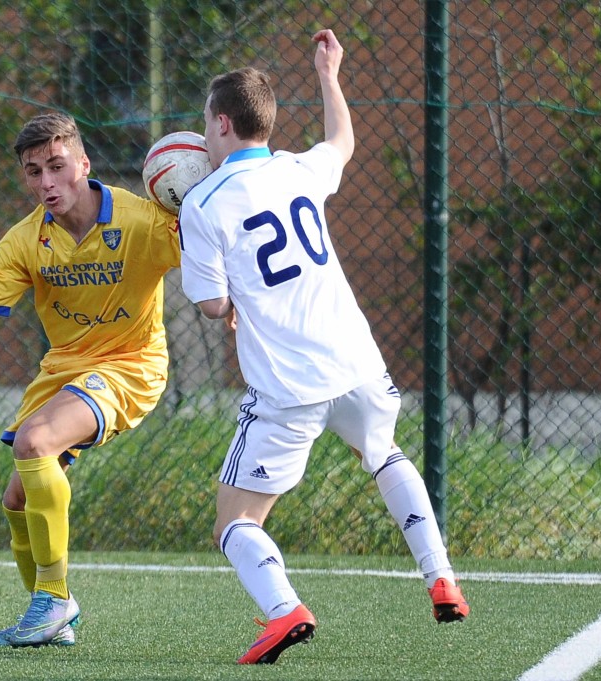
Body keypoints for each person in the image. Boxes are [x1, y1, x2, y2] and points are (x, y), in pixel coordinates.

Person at [177, 29, 470, 665]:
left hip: (288, 388)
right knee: (384, 453)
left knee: (234, 523)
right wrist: (328, 75)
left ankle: (284, 609)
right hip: (357, 363)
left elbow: (212, 305)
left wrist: (227, 294)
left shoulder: (201, 203)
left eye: (206, 122)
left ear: (222, 123)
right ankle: (441, 575)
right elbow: (343, 141)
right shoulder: (299, 167)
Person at [0, 111, 180, 648]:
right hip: (64, 367)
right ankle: (50, 618)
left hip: (131, 363)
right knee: (18, 501)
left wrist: (231, 305)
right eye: (33, 171)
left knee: (35, 440)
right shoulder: (25, 240)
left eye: (57, 166)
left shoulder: (142, 219)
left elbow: (214, 257)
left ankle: (54, 600)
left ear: (83, 164)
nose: (46, 182)